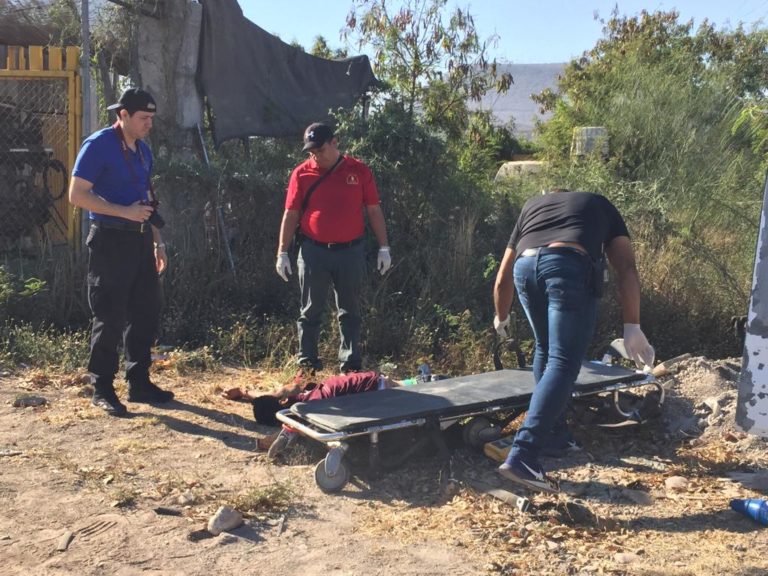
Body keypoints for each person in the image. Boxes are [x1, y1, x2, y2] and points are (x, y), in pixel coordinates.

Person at [492, 189, 654, 493]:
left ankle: (553, 433)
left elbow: (503, 274)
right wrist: (632, 324)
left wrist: (501, 316)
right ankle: (524, 454)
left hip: (525, 271)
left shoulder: (532, 206)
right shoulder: (597, 203)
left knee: (545, 349)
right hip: (567, 265)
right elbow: (626, 268)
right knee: (564, 361)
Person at [68, 87, 173, 417]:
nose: (149, 125)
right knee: (110, 314)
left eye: (152, 119)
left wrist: (158, 242)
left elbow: (146, 199)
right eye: (143, 118)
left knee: (146, 311)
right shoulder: (98, 145)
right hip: (110, 239)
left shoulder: (143, 151)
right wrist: (121, 211)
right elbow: (76, 195)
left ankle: (139, 382)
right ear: (122, 115)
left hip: (141, 240)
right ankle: (102, 387)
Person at [275, 122, 391, 373]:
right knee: (309, 311)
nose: (316, 155)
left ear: (335, 143)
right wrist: (282, 252)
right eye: (311, 151)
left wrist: (384, 247)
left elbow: (373, 209)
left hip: (350, 252)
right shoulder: (302, 173)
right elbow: (291, 212)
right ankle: (307, 365)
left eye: (320, 149)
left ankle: (350, 365)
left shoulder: (358, 171)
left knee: (349, 310)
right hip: (313, 251)